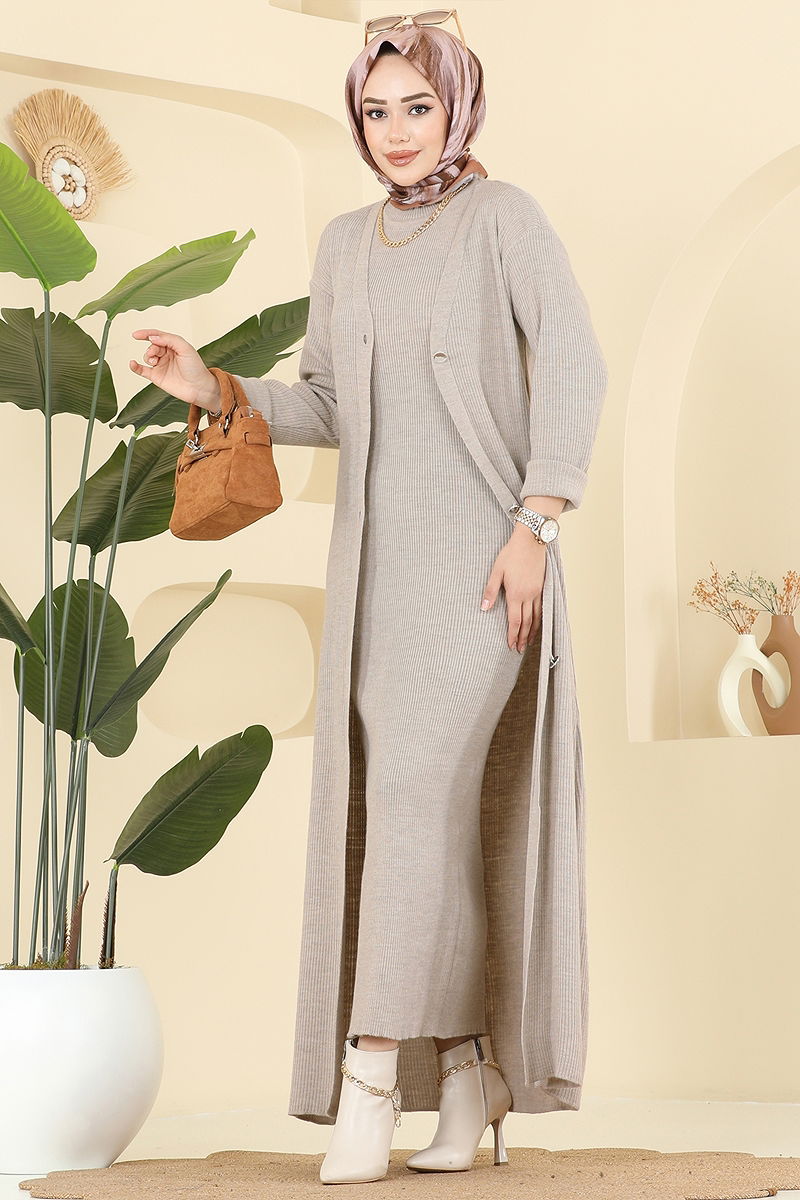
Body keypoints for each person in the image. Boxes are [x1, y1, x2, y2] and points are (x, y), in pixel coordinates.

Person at [129, 12, 608, 1188]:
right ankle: (468, 1072)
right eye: (375, 110)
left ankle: (370, 1078)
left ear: (457, 107)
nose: (394, 131)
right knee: (422, 823)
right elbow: (333, 406)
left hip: (484, 570)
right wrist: (212, 386)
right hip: (376, 584)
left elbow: (574, 365)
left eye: (417, 107)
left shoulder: (504, 220)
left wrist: (537, 523)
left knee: (407, 803)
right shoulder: (345, 244)